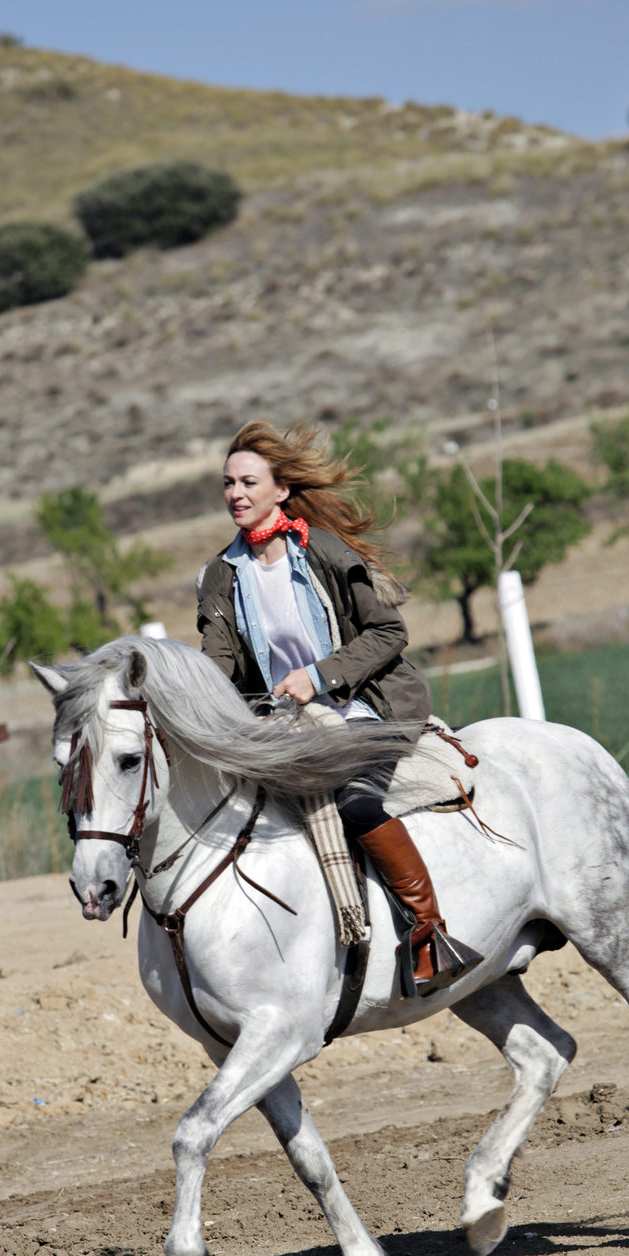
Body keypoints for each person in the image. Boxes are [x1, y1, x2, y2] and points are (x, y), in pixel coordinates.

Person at [196, 419, 482, 998]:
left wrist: (321, 676)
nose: (235, 494)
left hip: (367, 708)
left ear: (281, 490)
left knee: (354, 802)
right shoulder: (220, 576)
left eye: (248, 482)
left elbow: (388, 631)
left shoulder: (323, 550)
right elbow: (219, 668)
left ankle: (431, 931)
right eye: (228, 484)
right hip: (281, 728)